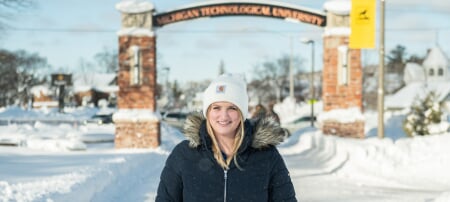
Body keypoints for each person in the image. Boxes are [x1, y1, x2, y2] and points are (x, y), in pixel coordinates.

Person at [156, 73, 296, 202]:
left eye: (232, 108)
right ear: (207, 112)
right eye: (216, 108)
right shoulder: (184, 155)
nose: (223, 116)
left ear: (242, 113)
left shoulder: (267, 156)